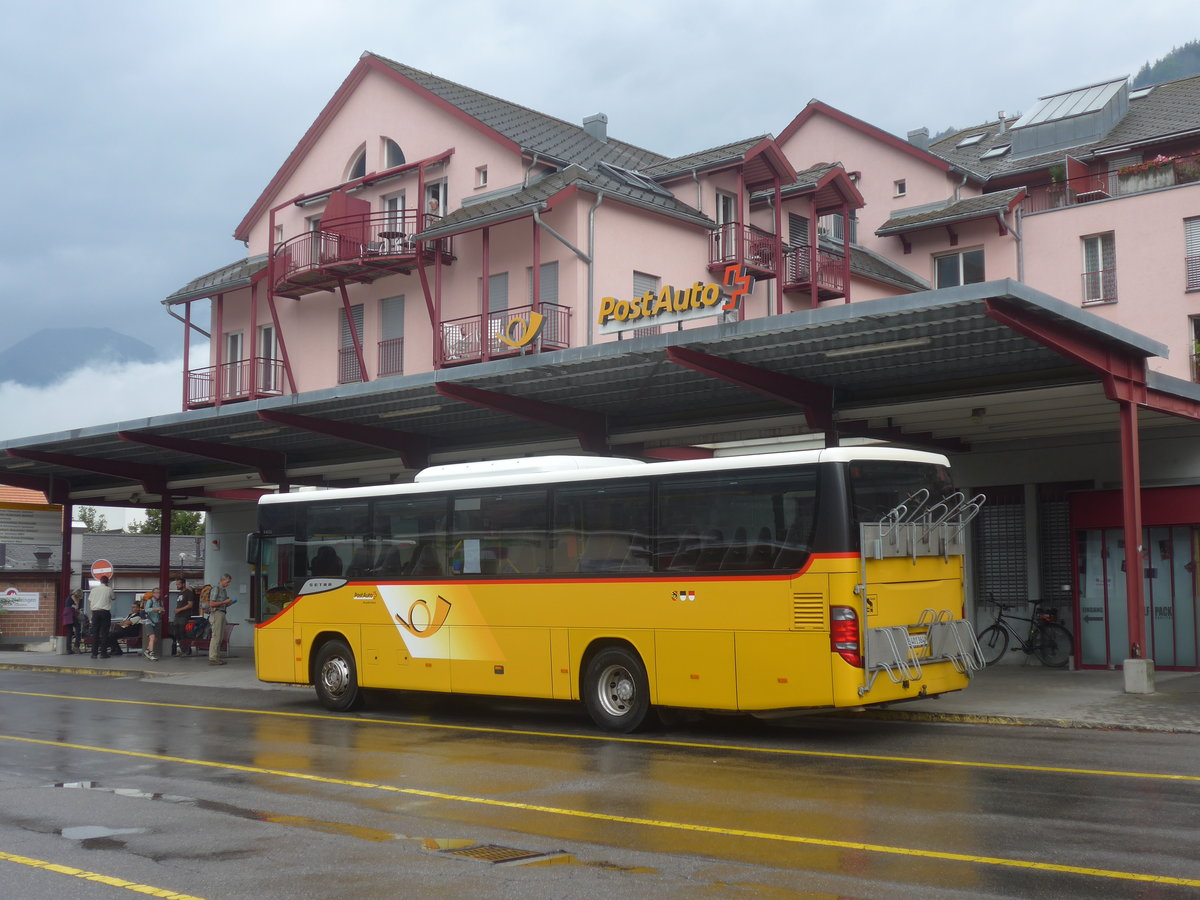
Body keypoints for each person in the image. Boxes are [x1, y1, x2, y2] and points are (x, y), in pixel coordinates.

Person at [208, 573, 234, 665]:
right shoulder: (216, 589)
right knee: (216, 636)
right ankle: (213, 657)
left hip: (222, 612)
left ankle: (216, 656)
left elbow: (223, 603)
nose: (228, 584)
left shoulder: (224, 590)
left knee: (220, 636)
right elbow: (211, 603)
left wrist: (228, 603)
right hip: (216, 613)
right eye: (227, 582)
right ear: (222, 580)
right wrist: (224, 602)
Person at [87, 576, 115, 659]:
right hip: (105, 612)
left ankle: (94, 653)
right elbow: (113, 598)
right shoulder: (109, 589)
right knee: (104, 633)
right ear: (107, 582)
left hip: (95, 613)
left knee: (95, 633)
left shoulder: (93, 590)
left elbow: (90, 600)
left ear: (100, 581)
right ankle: (103, 653)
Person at [171, 578, 197, 656]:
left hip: (184, 615)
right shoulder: (179, 593)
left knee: (183, 632)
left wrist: (180, 609)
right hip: (177, 616)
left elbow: (190, 604)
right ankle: (182, 649)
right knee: (177, 632)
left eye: (178, 584)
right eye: (177, 584)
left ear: (183, 584)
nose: (177, 586)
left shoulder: (188, 593)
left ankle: (187, 650)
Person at [142, 586, 164, 661]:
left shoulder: (160, 602)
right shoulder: (150, 601)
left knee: (155, 639)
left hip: (157, 621)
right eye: (156, 593)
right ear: (153, 594)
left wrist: (161, 611)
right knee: (152, 637)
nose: (158, 594)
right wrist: (156, 609)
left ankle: (147, 651)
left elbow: (161, 612)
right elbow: (146, 609)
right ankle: (151, 653)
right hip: (149, 621)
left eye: (159, 593)